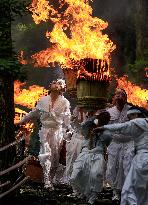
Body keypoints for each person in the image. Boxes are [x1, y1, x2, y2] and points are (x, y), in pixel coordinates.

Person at [16, 79, 71, 189]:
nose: (56, 84)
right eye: (55, 83)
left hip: (57, 132)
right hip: (45, 131)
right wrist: (20, 122)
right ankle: (46, 181)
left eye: (59, 83)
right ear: (50, 86)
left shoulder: (65, 102)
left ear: (62, 89)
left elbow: (67, 119)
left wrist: (69, 130)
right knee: (46, 154)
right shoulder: (43, 100)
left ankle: (50, 179)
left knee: (55, 158)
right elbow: (33, 113)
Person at [96, 113, 148, 205]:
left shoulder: (139, 122)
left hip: (138, 157)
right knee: (112, 171)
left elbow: (122, 126)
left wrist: (104, 127)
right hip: (119, 146)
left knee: (129, 184)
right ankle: (117, 192)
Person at [70, 109, 110, 204]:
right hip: (85, 153)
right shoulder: (89, 127)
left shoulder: (107, 132)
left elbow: (107, 143)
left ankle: (92, 197)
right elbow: (83, 128)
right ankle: (79, 192)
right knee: (75, 175)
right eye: (100, 118)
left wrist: (100, 132)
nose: (101, 120)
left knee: (95, 175)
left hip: (98, 155)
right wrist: (94, 116)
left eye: (103, 119)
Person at [105, 88, 134, 200]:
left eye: (121, 94)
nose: (119, 96)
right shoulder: (109, 112)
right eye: (117, 94)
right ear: (114, 98)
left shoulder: (131, 110)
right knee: (113, 167)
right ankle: (115, 192)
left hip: (128, 143)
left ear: (125, 98)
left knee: (127, 166)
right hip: (115, 143)